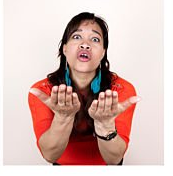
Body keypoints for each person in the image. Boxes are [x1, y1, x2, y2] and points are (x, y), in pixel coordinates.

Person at [28, 12, 139, 165]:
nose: (85, 44)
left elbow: (114, 159)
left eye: (95, 39)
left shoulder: (120, 90)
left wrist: (105, 125)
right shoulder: (44, 91)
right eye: (77, 37)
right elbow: (49, 155)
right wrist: (63, 118)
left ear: (103, 52)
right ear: (64, 48)